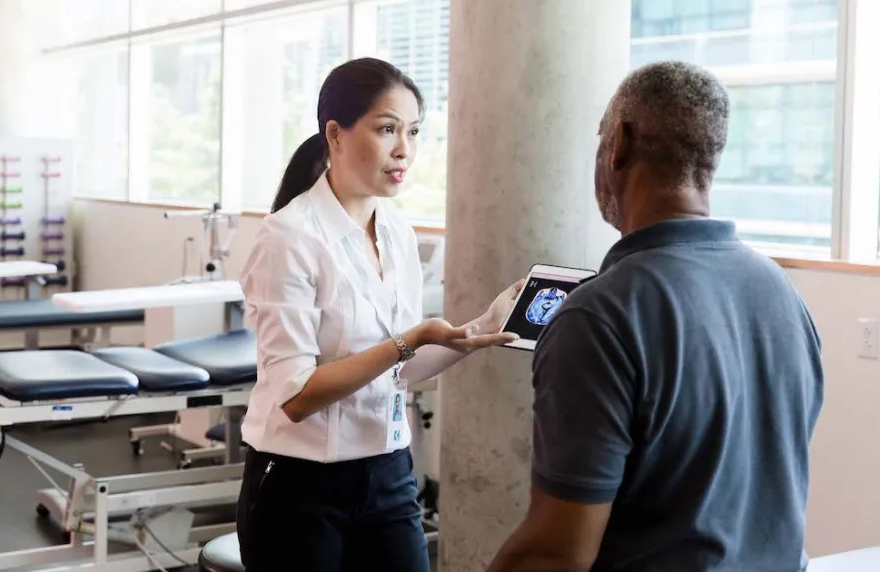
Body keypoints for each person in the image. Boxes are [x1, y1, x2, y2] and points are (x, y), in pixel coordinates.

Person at [487, 60, 825, 572]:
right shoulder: (779, 290)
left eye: (601, 137)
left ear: (619, 142)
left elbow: (555, 553)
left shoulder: (598, 317)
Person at [235, 57, 523, 572]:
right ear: (336, 134)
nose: (403, 150)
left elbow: (401, 369)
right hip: (300, 487)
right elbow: (297, 398)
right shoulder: (289, 237)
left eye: (413, 132)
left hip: (388, 473)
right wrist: (409, 341)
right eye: (386, 129)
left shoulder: (398, 234)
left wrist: (477, 329)